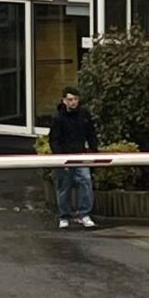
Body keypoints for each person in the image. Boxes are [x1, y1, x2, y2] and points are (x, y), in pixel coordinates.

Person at [46, 87, 99, 230]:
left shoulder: (84, 115)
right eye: (70, 99)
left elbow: (91, 134)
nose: (73, 102)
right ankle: (64, 216)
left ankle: (84, 214)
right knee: (64, 186)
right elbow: (54, 140)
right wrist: (60, 157)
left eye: (75, 99)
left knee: (86, 181)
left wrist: (94, 151)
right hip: (64, 157)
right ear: (64, 100)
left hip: (81, 155)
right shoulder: (58, 118)